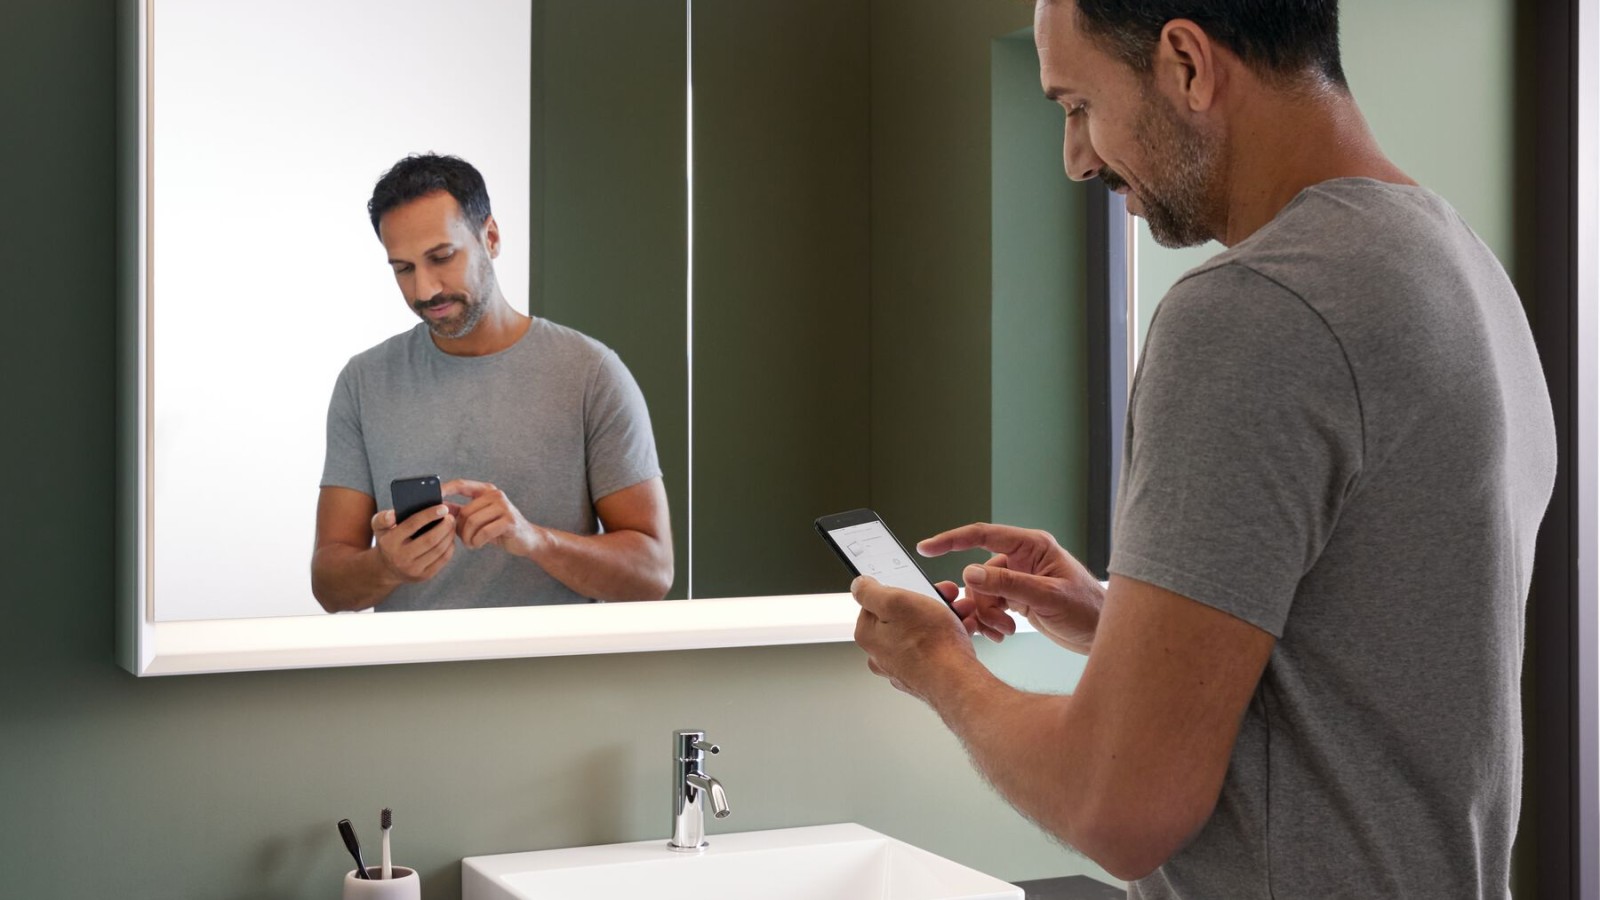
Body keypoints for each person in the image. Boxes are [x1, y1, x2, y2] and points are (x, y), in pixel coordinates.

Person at [850, 2, 1557, 897]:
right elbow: (1374, 671)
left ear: (1187, 62)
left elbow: (1120, 808)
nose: (1075, 159)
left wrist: (937, 667)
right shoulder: (1459, 270)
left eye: (1077, 108)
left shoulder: (1254, 312)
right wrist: (1121, 622)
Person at [311, 154, 673, 612]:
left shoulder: (590, 373)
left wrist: (534, 540)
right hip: (410, 679)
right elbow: (328, 583)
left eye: (442, 257)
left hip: (554, 678)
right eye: (403, 268)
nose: (425, 290)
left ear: (492, 237)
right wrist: (387, 566)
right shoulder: (362, 383)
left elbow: (653, 573)